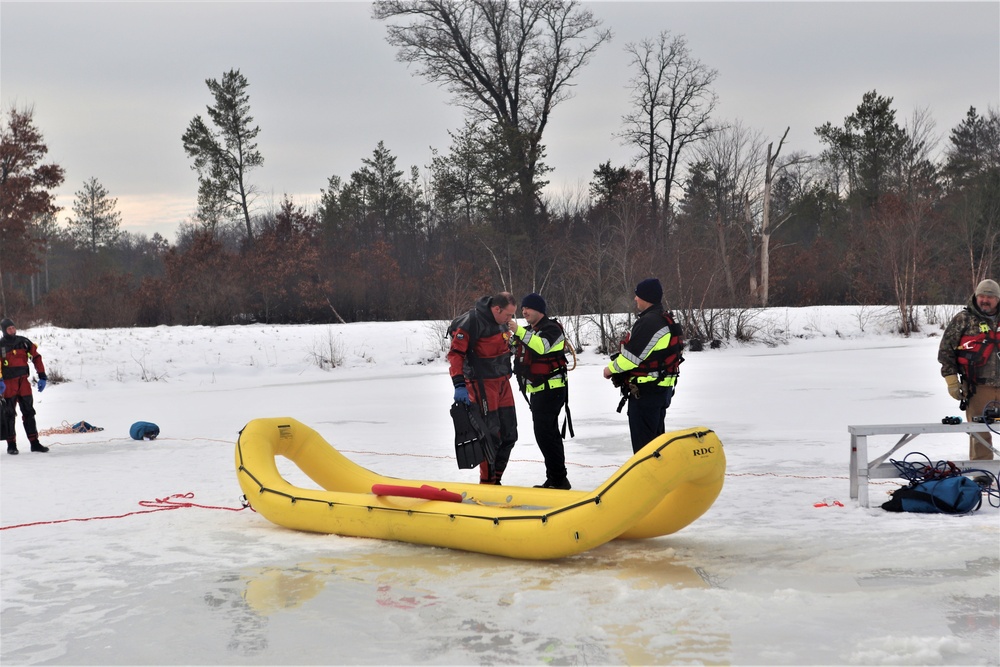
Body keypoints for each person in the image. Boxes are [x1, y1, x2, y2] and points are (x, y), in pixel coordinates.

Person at [603, 278, 684, 454]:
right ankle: (661, 480)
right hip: (661, 390)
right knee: (656, 445)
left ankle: (648, 480)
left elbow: (630, 358)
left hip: (647, 393)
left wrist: (609, 369)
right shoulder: (664, 319)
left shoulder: (649, 322)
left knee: (645, 450)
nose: (635, 299)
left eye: (637, 295)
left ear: (646, 297)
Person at [447, 293, 518, 484]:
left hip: (503, 382)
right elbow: (455, 355)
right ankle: (487, 483)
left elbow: (506, 345)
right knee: (490, 436)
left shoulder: (503, 323)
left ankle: (496, 478)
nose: (510, 319)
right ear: (496, 309)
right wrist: (459, 385)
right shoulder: (471, 322)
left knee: (510, 434)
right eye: (508, 315)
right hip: (482, 385)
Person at [509, 293, 572, 489]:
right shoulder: (530, 330)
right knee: (547, 435)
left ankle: (558, 479)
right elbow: (515, 347)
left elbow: (542, 347)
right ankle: (555, 478)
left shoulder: (552, 330)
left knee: (546, 435)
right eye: (522, 309)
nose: (524, 311)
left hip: (551, 391)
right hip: (539, 391)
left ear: (540, 310)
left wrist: (518, 331)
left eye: (528, 308)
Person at [938, 278, 1000, 460]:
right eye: (981, 296)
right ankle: (982, 473)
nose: (985, 300)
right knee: (980, 432)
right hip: (977, 387)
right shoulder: (963, 319)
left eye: (990, 297)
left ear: (997, 299)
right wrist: (951, 381)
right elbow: (945, 351)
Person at [1, 317, 49, 455]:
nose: (12, 330)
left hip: (24, 383)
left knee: (29, 412)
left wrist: (42, 376)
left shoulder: (24, 342)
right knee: (9, 415)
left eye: (13, 327)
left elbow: (36, 357)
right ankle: (11, 445)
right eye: (9, 328)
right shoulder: (1, 345)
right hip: (8, 385)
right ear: (4, 330)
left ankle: (34, 443)